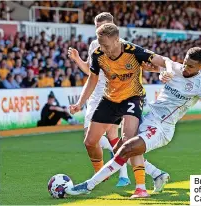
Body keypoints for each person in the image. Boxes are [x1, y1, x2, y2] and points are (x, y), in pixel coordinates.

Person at [67, 47, 201, 197]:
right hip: (149, 117)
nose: (186, 68)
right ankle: (157, 174)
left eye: (191, 67)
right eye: (185, 62)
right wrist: (157, 71)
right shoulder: (175, 68)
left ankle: (89, 186)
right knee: (120, 147)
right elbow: (151, 66)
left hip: (163, 128)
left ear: (200, 67)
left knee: (127, 148)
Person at [69, 22, 173, 198]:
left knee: (128, 141)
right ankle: (154, 173)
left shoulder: (133, 50)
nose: (104, 49)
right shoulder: (98, 54)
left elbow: (163, 60)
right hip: (110, 99)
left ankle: (140, 188)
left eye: (107, 45)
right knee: (90, 141)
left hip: (132, 97)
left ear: (117, 40)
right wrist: (80, 102)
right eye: (101, 45)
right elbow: (92, 79)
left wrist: (167, 71)